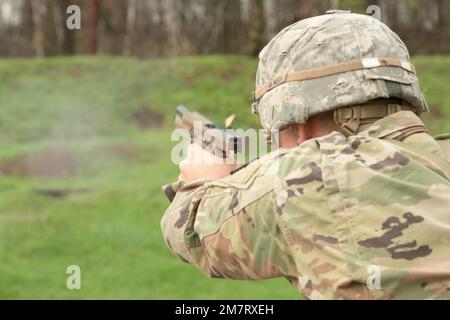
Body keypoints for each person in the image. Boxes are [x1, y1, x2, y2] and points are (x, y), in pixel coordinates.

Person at [160, 11, 450, 299]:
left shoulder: (310, 177)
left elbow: (189, 229)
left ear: (300, 127)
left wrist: (199, 182)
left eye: (274, 136)